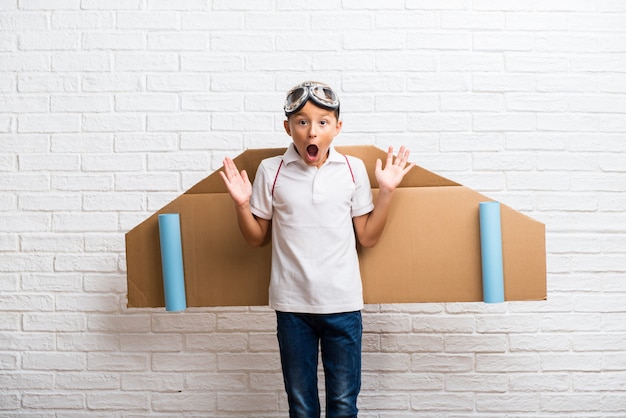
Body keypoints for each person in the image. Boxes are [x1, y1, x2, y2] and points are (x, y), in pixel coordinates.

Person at [220, 81, 414, 418]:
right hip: (292, 307)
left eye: (323, 122)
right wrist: (241, 204)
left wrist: (386, 192)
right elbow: (256, 238)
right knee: (302, 406)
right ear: (288, 127)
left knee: (343, 405)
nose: (312, 132)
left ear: (338, 127)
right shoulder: (271, 170)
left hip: (343, 304)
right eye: (302, 122)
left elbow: (367, 237)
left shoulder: (353, 169)